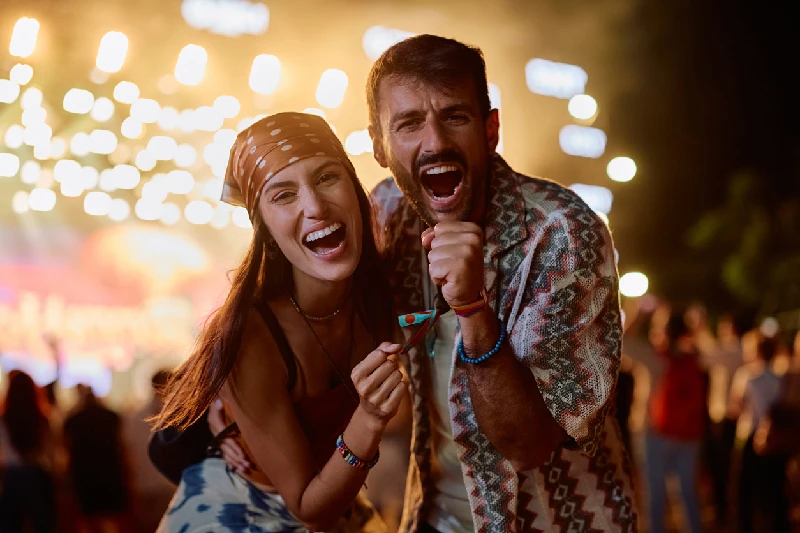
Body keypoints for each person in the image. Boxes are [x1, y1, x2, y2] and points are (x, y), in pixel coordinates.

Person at [365, 35, 637, 532]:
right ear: (379, 146)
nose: (435, 142)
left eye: (455, 116)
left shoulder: (563, 233)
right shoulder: (385, 215)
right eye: (408, 123)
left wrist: (472, 308)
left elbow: (528, 444)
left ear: (490, 130)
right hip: (431, 517)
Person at [152, 112, 406, 533]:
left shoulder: (387, 286)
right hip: (236, 514)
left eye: (327, 178)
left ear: (357, 192)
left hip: (340, 504)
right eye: (283, 195)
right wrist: (370, 418)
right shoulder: (252, 336)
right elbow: (310, 507)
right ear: (265, 228)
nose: (315, 207)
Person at [729, 334, 790, 533]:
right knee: (775, 490)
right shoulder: (782, 377)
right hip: (776, 439)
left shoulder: (746, 375)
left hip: (749, 436)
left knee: (744, 491)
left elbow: (736, 408)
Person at [63, 384, 131, 533]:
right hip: (110, 472)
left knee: (88, 518)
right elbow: (123, 446)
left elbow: (66, 449)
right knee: (111, 517)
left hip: (84, 474)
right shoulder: (112, 416)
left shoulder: (73, 420)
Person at [0, 370, 58, 533]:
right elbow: (51, 455)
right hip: (37, 476)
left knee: (11, 526)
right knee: (42, 524)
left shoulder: (4, 422)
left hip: (12, 477)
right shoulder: (42, 421)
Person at [124, 370, 176, 532]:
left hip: (147, 483)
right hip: (163, 484)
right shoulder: (176, 414)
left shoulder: (136, 416)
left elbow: (128, 452)